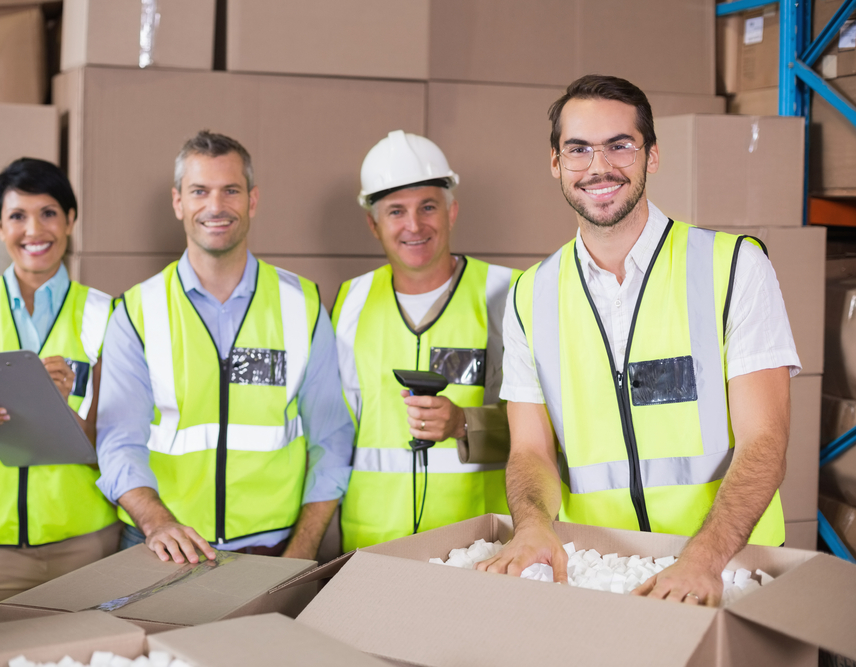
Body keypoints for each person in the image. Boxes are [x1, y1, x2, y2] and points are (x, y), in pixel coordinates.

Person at [476, 75, 800, 606]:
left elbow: (765, 441)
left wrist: (703, 558)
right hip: (599, 571)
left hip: (730, 567)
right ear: (555, 163)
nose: (598, 167)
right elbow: (531, 450)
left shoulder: (734, 266)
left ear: (651, 156)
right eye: (578, 149)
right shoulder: (529, 295)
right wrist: (532, 524)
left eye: (619, 145)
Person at [96, 130, 353, 564]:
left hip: (274, 548)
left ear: (252, 200)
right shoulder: (136, 312)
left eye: (230, 190)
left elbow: (332, 439)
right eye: (200, 191)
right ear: (178, 202)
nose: (215, 207)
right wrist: (157, 521)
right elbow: (119, 441)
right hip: (161, 544)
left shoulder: (302, 306)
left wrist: (302, 548)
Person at [0, 158, 120, 627]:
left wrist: (56, 407)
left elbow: (112, 448)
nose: (35, 229)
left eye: (49, 212)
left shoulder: (109, 315)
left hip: (82, 545)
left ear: (71, 220)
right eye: (17, 216)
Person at [333, 131, 521, 551]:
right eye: (396, 211)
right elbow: (336, 430)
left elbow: (545, 427)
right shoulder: (351, 302)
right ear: (373, 223)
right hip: (372, 540)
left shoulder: (508, 293)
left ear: (452, 212)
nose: (414, 225)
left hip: (480, 542)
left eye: (428, 207)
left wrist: (462, 424)